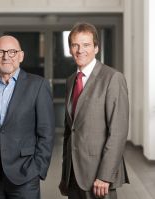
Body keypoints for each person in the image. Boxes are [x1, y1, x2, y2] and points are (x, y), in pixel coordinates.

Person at [0, 35, 55, 199]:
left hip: (25, 175)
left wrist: (37, 169)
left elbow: (46, 133)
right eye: (0, 52)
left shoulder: (38, 86)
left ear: (21, 56)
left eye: (12, 52)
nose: (6, 57)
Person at [58, 22, 129, 199]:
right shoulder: (71, 80)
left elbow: (118, 132)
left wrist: (105, 176)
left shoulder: (112, 78)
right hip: (73, 176)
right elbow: (70, 132)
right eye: (75, 45)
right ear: (70, 49)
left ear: (96, 48)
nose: (80, 50)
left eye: (86, 45)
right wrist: (64, 176)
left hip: (98, 178)